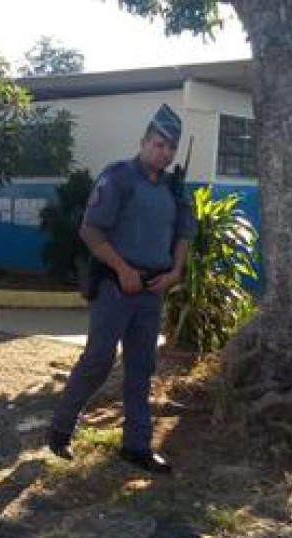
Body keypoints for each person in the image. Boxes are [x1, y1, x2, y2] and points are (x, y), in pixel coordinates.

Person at [49, 104, 196, 474]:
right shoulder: (118, 177)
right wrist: (122, 269)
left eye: (170, 149)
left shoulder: (174, 188)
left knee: (141, 368)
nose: (164, 153)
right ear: (144, 141)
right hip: (116, 287)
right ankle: (61, 430)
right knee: (98, 360)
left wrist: (176, 270)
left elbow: (184, 233)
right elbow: (91, 230)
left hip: (152, 289)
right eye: (159, 145)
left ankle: (136, 446)